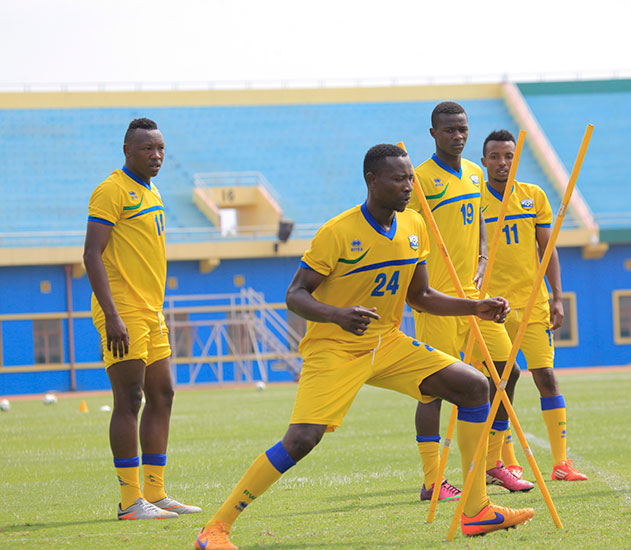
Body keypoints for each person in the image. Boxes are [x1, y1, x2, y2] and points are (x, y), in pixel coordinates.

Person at [194, 145, 535, 549]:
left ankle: (477, 510)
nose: (409, 186)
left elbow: (421, 295)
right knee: (303, 438)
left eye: (410, 177)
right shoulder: (337, 232)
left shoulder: (414, 225)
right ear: (372, 181)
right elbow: (295, 295)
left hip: (387, 342)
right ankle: (215, 529)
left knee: (475, 386)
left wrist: (475, 307)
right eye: (399, 179)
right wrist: (337, 314)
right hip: (333, 348)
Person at [407, 102, 533, 499]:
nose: (457, 136)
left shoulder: (476, 174)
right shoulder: (420, 180)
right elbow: (404, 236)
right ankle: (433, 481)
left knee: (505, 371)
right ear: (433, 134)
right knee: (433, 389)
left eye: (462, 129)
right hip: (436, 301)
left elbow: (479, 221)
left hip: (473, 297)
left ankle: (493, 462)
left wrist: (481, 258)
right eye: (448, 130)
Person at [83, 118, 201, 520]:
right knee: (130, 398)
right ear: (127, 151)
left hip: (152, 310)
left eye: (161, 149)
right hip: (123, 311)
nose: (157, 156)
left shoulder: (152, 190)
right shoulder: (111, 190)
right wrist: (112, 315)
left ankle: (156, 493)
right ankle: (130, 502)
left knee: (163, 393)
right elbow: (91, 254)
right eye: (148, 149)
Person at [479, 130, 588, 482]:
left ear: (516, 158)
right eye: (495, 156)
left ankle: (561, 463)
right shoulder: (473, 201)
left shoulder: (532, 196)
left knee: (546, 377)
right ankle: (507, 461)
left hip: (532, 303)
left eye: (508, 156)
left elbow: (547, 248)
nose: (502, 162)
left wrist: (557, 296)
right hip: (492, 307)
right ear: (484, 162)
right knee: (500, 384)